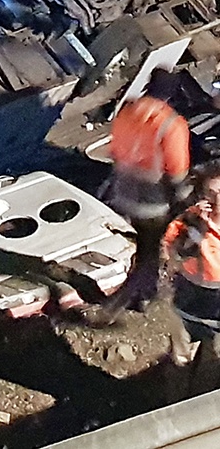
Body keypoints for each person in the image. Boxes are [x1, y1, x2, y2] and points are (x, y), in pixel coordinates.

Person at [89, 68, 191, 325]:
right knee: (149, 253)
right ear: (171, 94)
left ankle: (143, 289)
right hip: (151, 203)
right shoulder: (172, 124)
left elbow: (114, 149)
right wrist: (184, 201)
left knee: (138, 244)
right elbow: (178, 173)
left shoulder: (128, 111)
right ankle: (128, 300)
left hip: (122, 193)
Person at [162, 161, 220, 396]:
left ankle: (202, 404)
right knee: (180, 357)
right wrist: (196, 229)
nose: (218, 200)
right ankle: (173, 401)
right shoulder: (189, 222)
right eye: (212, 193)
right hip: (188, 304)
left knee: (213, 362)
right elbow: (172, 250)